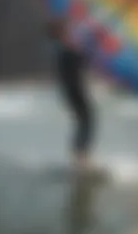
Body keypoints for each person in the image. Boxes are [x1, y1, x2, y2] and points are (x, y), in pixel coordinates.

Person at [46, 18, 95, 171]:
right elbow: (79, 59)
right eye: (64, 29)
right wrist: (80, 49)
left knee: (84, 120)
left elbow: (80, 59)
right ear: (58, 32)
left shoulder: (60, 47)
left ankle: (79, 155)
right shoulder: (61, 47)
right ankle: (80, 157)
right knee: (86, 120)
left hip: (71, 89)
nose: (67, 31)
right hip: (73, 89)